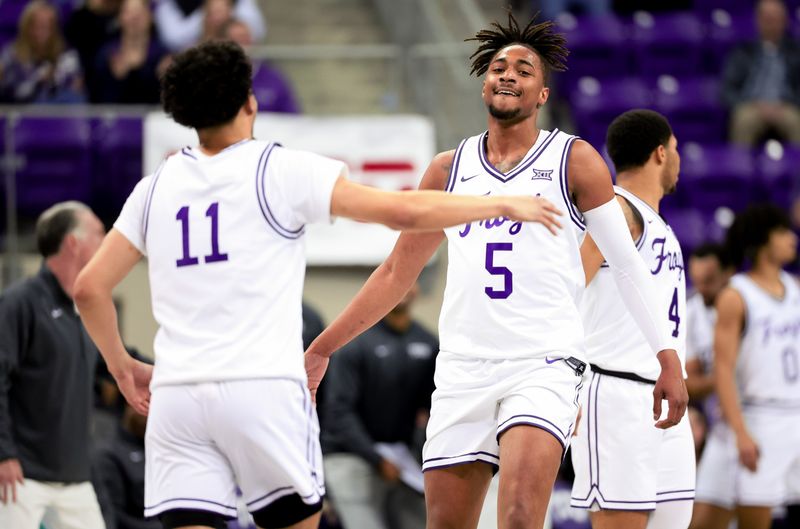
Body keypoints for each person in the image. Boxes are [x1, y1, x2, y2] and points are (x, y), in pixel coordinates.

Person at [72, 39, 562, 529]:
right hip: (260, 386)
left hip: (177, 394)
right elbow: (404, 211)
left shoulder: (154, 186)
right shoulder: (277, 168)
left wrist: (120, 366)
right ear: (250, 101)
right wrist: (501, 203)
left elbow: (89, 289)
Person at [305, 14, 687, 529]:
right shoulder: (447, 169)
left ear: (543, 93)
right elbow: (397, 271)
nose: (508, 74)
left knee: (520, 515)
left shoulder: (573, 160)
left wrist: (668, 359)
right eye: (498, 66)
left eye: (523, 69)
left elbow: (626, 265)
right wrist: (324, 346)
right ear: (484, 81)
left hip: (543, 363)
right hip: (463, 366)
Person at [569, 109, 695, 529]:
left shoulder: (657, 222)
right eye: (675, 149)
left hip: (665, 400)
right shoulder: (618, 211)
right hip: (616, 396)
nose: (679, 159)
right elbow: (567, 294)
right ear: (661, 153)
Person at [692, 204, 800, 529]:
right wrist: (741, 431)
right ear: (764, 241)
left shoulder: (793, 288)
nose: (791, 239)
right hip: (755, 417)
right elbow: (722, 370)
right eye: (782, 232)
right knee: (716, 520)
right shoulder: (736, 296)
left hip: (791, 413)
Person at [0, 201, 106, 529]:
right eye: (99, 234)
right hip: (21, 476)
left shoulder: (86, 307)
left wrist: (163, 369)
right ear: (73, 242)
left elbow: (113, 358)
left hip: (74, 478)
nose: (106, 243)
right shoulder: (20, 303)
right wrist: (3, 453)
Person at [322, 285, 435, 529]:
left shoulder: (427, 342)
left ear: (417, 290)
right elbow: (338, 413)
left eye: (411, 280)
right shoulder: (354, 342)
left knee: (425, 521)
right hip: (351, 455)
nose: (404, 287)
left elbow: (434, 408)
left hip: (402, 462)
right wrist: (376, 458)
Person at [92, 353, 159, 529]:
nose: (149, 408)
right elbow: (113, 517)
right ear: (130, 402)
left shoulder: (169, 451)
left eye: (155, 401)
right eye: (145, 399)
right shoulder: (109, 454)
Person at [721, 0, 800, 146]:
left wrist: (787, 104)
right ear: (758, 20)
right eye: (768, 19)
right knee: (742, 120)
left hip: (785, 106)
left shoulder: (795, 52)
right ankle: (740, 167)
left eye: (776, 19)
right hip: (752, 106)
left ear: (785, 21)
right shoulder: (742, 52)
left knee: (796, 122)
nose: (772, 24)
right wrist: (750, 104)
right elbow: (727, 90)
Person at [0, 0, 85, 103]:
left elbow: (75, 85)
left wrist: (54, 77)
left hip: (56, 111)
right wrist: (38, 80)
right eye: (38, 26)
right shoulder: (11, 55)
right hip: (19, 113)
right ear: (27, 27)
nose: (44, 32)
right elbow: (12, 92)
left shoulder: (67, 54)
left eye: (49, 26)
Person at [91, 0, 170, 104]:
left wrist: (164, 79)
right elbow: (96, 101)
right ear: (120, 17)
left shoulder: (163, 56)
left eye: (139, 13)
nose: (134, 18)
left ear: (150, 16)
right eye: (129, 12)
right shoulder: (107, 55)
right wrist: (114, 80)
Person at [684, 243, 733, 404]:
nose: (701, 288)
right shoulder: (690, 312)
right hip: (716, 412)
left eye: (709, 280)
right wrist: (727, 378)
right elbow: (690, 383)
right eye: (696, 281)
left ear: (728, 273)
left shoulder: (751, 302)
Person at [218, 18, 300, 114]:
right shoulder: (212, 78)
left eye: (247, 38)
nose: (246, 45)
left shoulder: (273, 78)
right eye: (239, 39)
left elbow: (293, 117)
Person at [154, 0, 265, 51]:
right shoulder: (190, 51)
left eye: (222, 12)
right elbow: (173, 37)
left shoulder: (242, 52)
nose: (218, 18)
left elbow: (258, 30)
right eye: (213, 13)